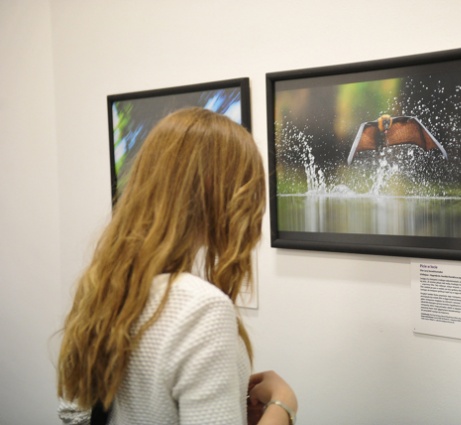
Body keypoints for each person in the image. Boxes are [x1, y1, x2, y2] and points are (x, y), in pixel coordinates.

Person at [57, 108, 298, 425]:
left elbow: (75, 414)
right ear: (216, 187)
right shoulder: (202, 308)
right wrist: (283, 404)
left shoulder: (106, 287)